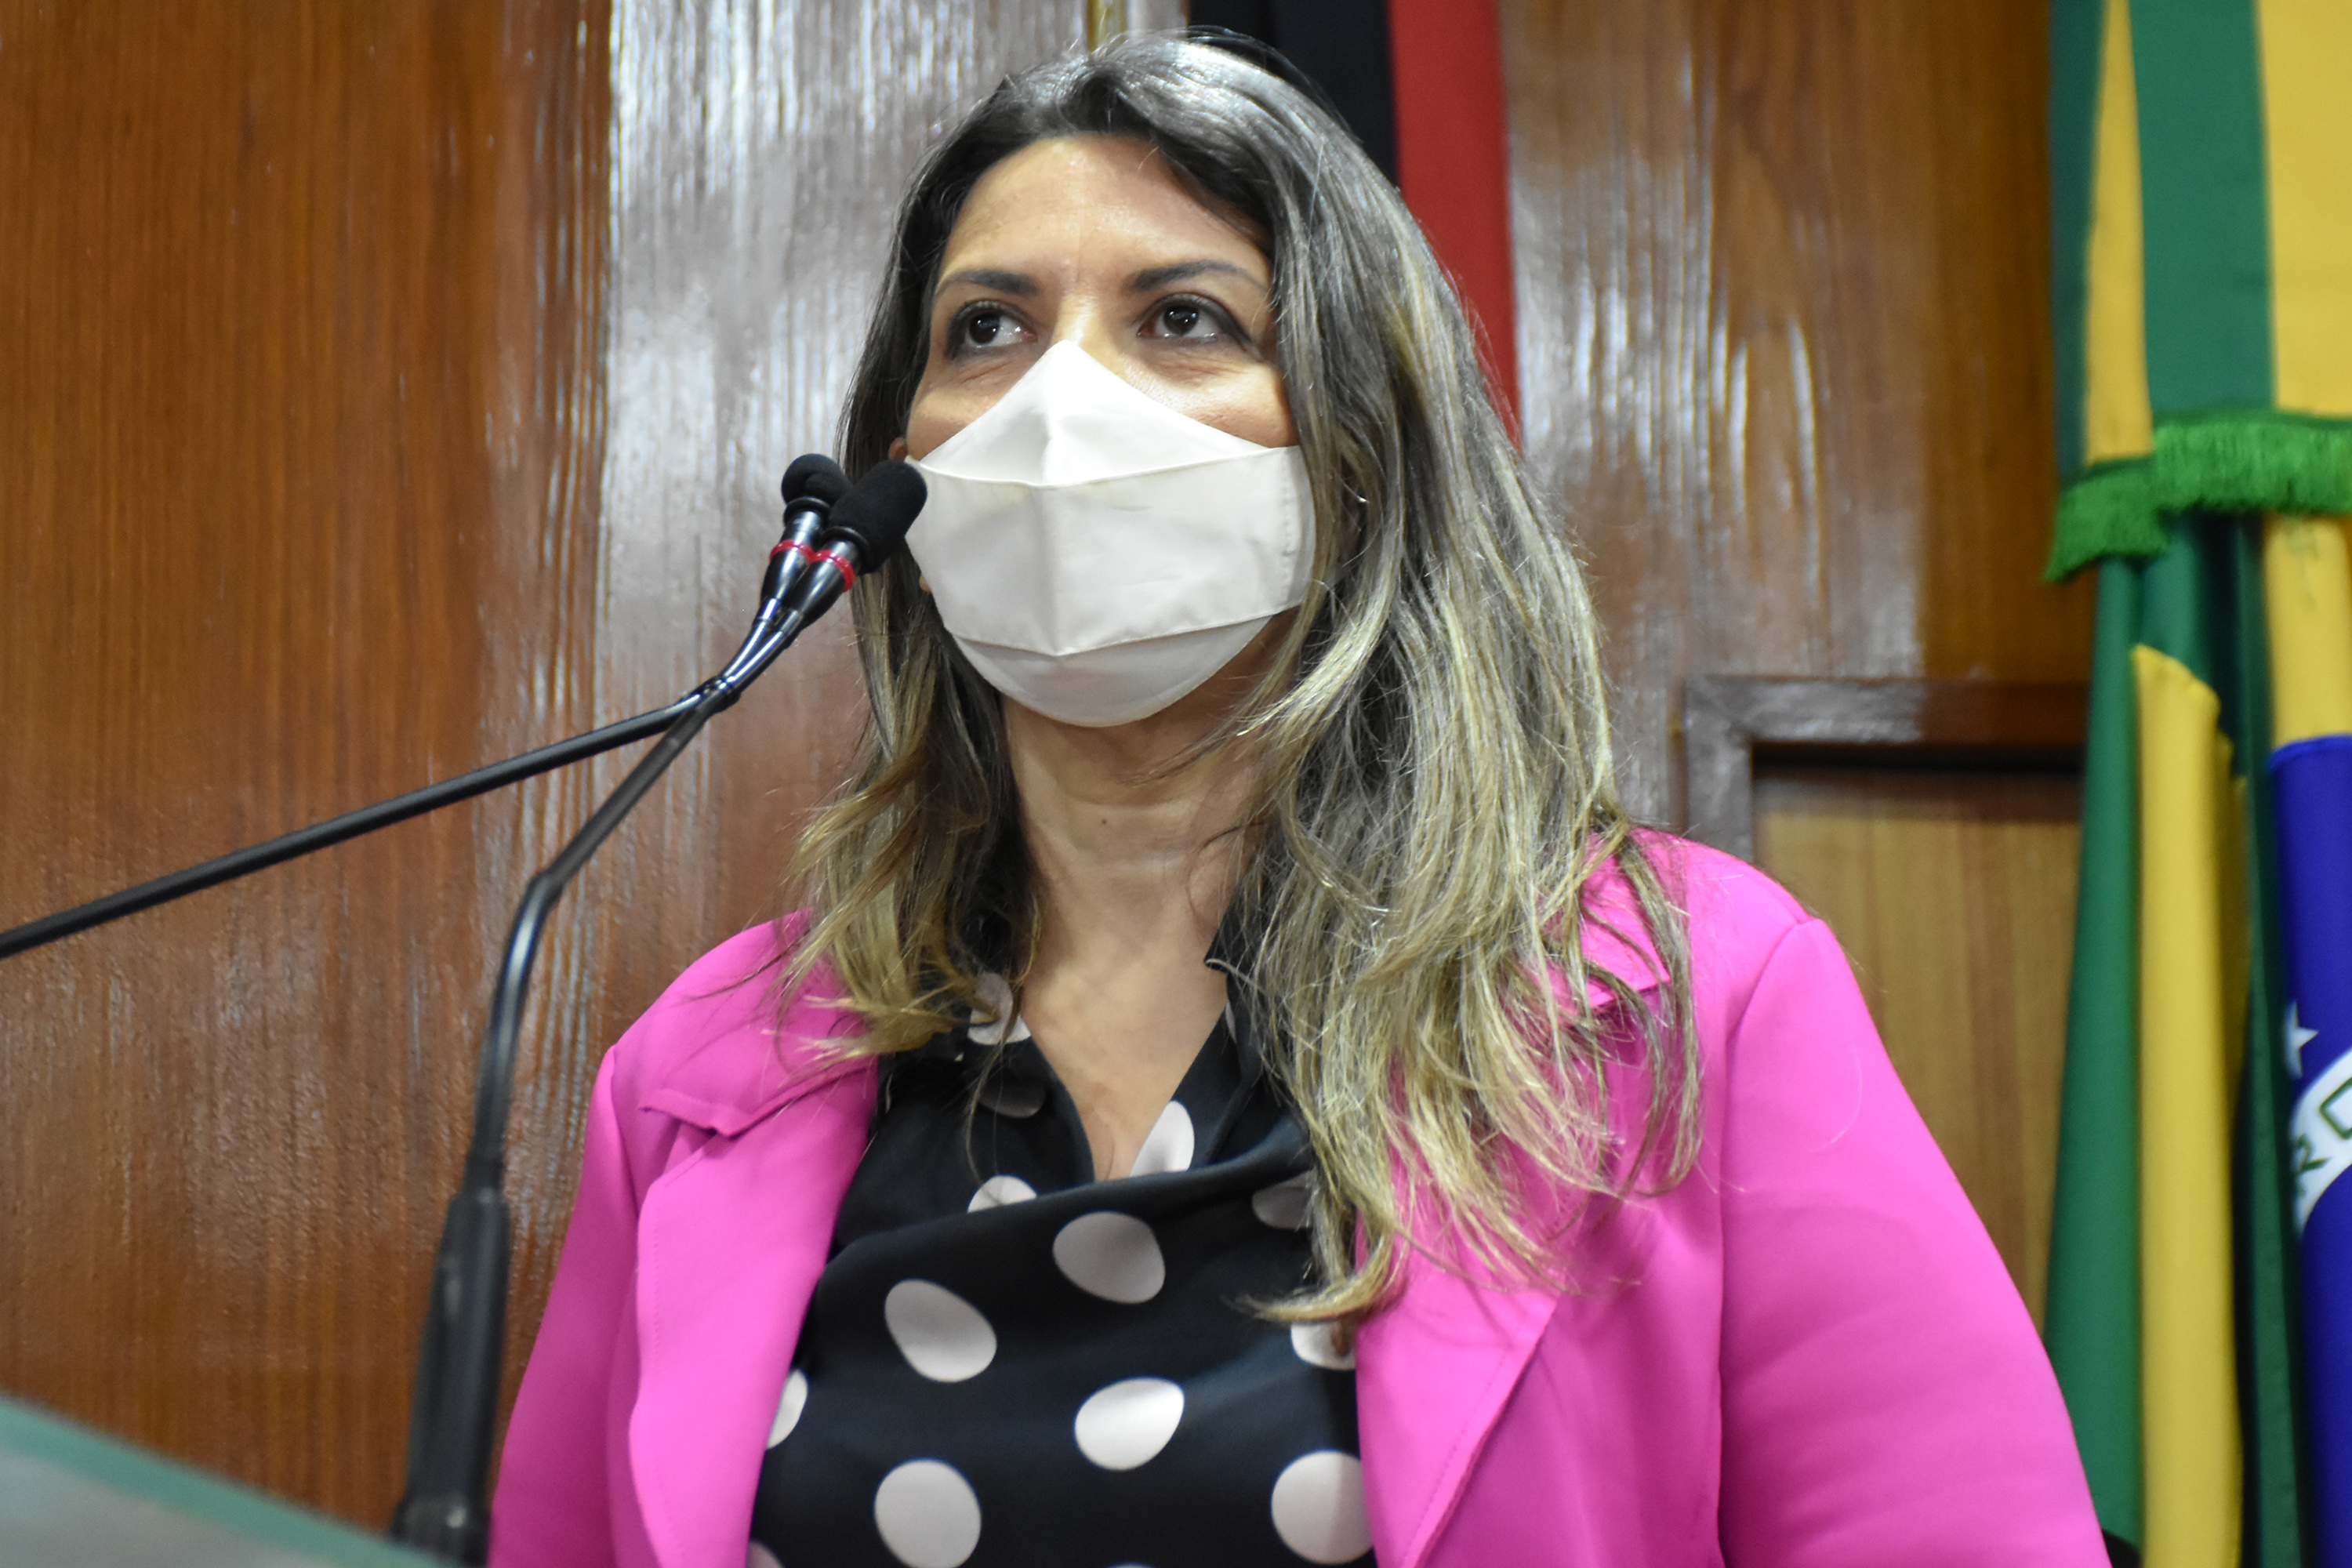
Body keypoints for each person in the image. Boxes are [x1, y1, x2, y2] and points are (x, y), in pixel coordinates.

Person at [490, 33, 2104, 1568]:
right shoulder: (703, 1076)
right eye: (985, 329)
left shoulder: (1688, 1000)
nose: (1059, 403)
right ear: (896, 465)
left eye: (1183, 317)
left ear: (1360, 444)